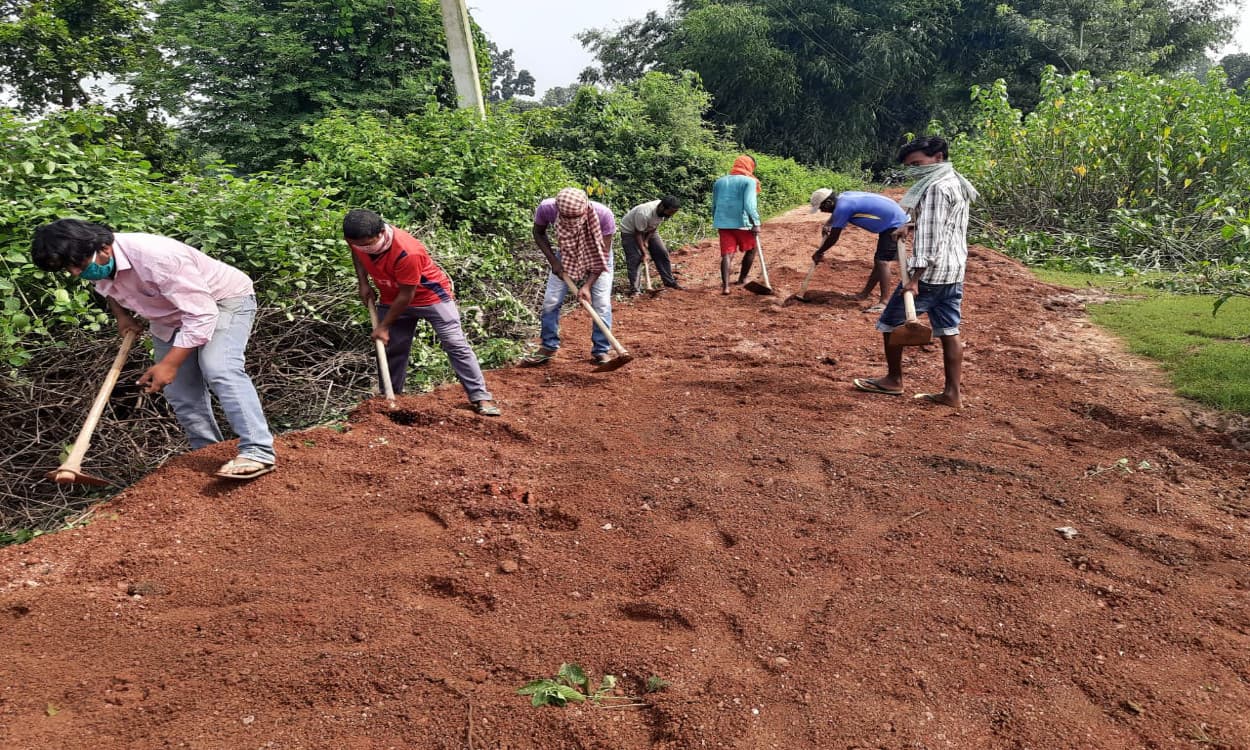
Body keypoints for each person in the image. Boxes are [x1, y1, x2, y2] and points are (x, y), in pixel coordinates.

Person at [31, 219, 277, 479]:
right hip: (168, 317)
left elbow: (201, 314)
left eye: (79, 265)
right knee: (179, 390)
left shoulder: (157, 257)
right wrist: (122, 317)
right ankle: (207, 453)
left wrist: (170, 364)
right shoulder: (96, 260)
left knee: (219, 367)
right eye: (68, 268)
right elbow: (110, 287)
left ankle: (258, 450)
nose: (75, 273)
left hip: (221, 300)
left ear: (104, 248)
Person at [852, 136, 978, 409]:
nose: (914, 170)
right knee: (949, 330)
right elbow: (943, 223)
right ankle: (952, 394)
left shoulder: (935, 188)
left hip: (929, 275)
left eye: (918, 164)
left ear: (938, 157)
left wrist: (914, 280)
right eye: (910, 166)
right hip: (953, 271)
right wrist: (910, 226)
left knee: (889, 323)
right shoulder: (955, 181)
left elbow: (931, 240)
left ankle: (893, 380)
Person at [343, 210, 501, 417]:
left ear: (381, 233)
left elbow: (406, 295)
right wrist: (363, 282)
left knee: (455, 343)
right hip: (391, 297)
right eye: (357, 244)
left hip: (431, 298)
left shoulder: (407, 251)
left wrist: (384, 326)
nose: (363, 248)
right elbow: (358, 253)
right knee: (392, 348)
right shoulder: (356, 238)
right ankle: (390, 399)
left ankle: (480, 396)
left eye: (367, 244)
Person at [521, 188, 617, 366]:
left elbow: (602, 255)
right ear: (558, 209)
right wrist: (554, 262)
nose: (572, 222)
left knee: (601, 304)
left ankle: (601, 350)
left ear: (585, 208)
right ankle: (548, 346)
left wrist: (587, 286)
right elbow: (538, 233)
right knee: (551, 301)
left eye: (576, 218)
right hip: (567, 253)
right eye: (567, 218)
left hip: (599, 256)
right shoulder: (547, 208)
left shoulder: (603, 215)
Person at [809, 188, 910, 312]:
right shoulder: (844, 198)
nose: (821, 211)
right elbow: (836, 216)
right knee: (879, 261)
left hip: (896, 224)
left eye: (821, 208)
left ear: (829, 203)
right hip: (892, 218)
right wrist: (829, 223)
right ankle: (864, 294)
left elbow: (834, 237)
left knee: (882, 261)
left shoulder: (843, 208)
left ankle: (884, 302)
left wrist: (819, 252)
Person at [711, 155, 762, 294]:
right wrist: (756, 222)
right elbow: (749, 204)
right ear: (749, 166)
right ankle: (742, 279)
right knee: (752, 249)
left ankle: (726, 287)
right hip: (742, 223)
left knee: (727, 254)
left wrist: (716, 219)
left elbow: (714, 205)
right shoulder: (750, 181)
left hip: (723, 223)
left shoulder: (719, 182)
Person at [620, 195, 684, 294]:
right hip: (630, 232)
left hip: (648, 230)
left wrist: (646, 241)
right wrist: (644, 252)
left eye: (674, 212)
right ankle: (635, 290)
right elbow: (638, 234)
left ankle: (669, 282)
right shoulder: (644, 213)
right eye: (671, 212)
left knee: (661, 252)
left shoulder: (662, 212)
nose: (672, 215)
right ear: (662, 207)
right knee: (635, 258)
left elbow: (654, 227)